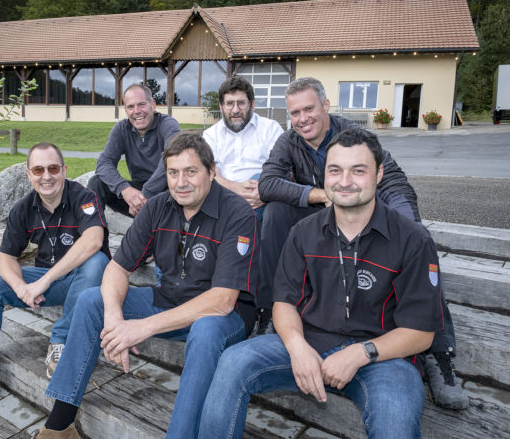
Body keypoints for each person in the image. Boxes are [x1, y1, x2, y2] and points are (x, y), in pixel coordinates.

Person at [199, 128, 444, 438]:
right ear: (324, 176)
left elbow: (421, 333)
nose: (344, 181)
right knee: (232, 362)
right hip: (309, 342)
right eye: (335, 170)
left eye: (358, 170)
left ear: (379, 174)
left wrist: (359, 353)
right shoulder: (304, 231)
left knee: (394, 420)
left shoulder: (413, 240)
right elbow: (285, 302)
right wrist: (297, 346)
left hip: (383, 357)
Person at [31, 132, 258, 439]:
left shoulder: (237, 212)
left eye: (191, 171)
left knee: (205, 330)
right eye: (173, 173)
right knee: (91, 301)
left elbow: (222, 301)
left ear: (212, 171)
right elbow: (117, 268)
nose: (181, 182)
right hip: (169, 299)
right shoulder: (158, 207)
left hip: (223, 316)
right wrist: (114, 319)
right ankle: (60, 426)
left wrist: (141, 327)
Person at [258, 77, 466, 410]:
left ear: (326, 106)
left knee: (417, 238)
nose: (302, 119)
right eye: (294, 112)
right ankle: (273, 312)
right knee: (275, 213)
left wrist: (403, 225)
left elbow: (392, 182)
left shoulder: (354, 137)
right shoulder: (289, 141)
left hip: (378, 201)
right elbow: (267, 184)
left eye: (309, 109)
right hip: (325, 215)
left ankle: (439, 351)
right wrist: (322, 195)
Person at [0, 143, 111, 404]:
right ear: (29, 174)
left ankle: (61, 343)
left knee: (97, 260)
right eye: (38, 169)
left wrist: (43, 282)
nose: (46, 176)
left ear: (64, 170)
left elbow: (94, 240)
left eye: (53, 168)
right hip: (50, 283)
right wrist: (20, 287)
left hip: (85, 283)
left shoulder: (84, 197)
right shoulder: (24, 208)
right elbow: (5, 257)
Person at [202, 75, 283, 332]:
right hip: (226, 195)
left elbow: (282, 167)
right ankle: (251, 302)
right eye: (229, 104)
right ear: (222, 106)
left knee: (267, 216)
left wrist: (264, 189)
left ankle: (259, 302)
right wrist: (236, 189)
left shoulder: (270, 129)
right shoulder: (210, 135)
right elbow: (208, 173)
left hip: (263, 194)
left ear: (252, 104)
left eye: (241, 103)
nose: (235, 109)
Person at [88, 83, 181, 217]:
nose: (136, 111)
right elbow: (104, 163)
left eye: (141, 104)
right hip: (136, 194)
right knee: (97, 183)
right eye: (130, 106)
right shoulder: (121, 129)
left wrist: (145, 196)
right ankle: (92, 231)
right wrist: (125, 189)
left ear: (153, 105)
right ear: (126, 110)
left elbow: (170, 159)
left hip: (165, 192)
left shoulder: (168, 125)